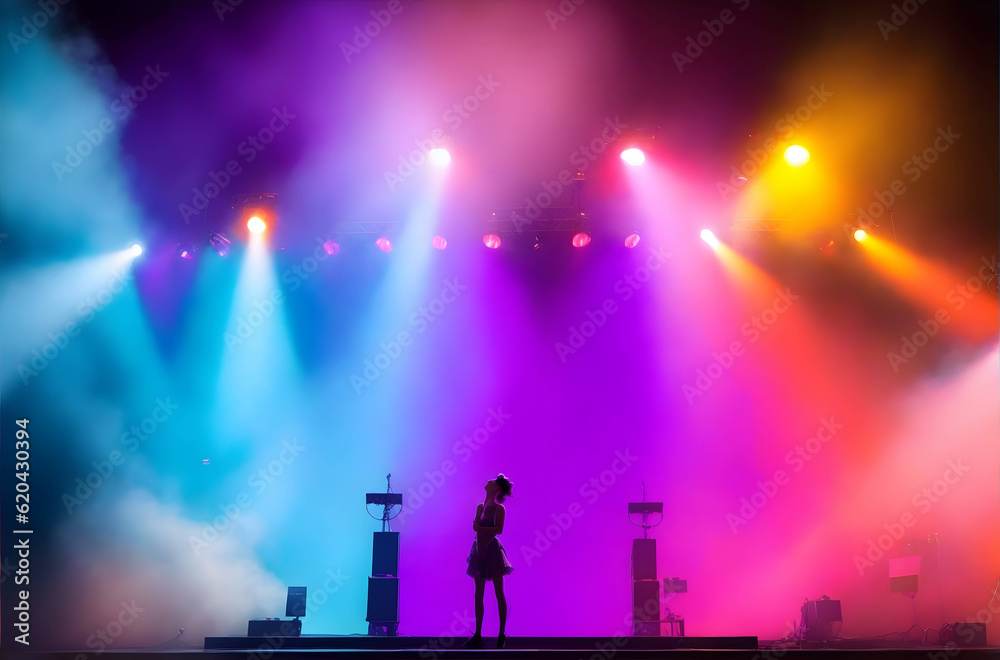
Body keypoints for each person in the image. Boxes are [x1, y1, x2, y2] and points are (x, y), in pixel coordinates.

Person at [463, 474, 514, 649]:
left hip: (492, 550)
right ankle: (478, 635)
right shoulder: (480, 506)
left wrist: (479, 527)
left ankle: (502, 633)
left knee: (499, 592)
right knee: (479, 594)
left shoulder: (499, 508)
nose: (487, 482)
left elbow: (498, 529)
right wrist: (478, 525)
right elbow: (475, 527)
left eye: (491, 481)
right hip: (479, 549)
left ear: (497, 488)